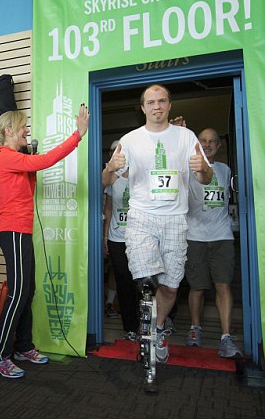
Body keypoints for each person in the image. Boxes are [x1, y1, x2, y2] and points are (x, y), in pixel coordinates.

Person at [103, 84, 212, 364]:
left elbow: (205, 178)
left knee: (171, 286)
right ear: (143, 108)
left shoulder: (186, 137)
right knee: (146, 280)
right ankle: (145, 323)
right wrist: (110, 169)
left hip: (175, 219)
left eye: (161, 101)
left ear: (169, 105)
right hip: (141, 218)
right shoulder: (130, 140)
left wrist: (204, 169)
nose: (156, 106)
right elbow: (107, 181)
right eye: (150, 102)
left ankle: (158, 327)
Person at [0, 106, 89, 378]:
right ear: (8, 131)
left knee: (28, 291)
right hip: (12, 231)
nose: (27, 131)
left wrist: (29, 161)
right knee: (17, 294)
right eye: (22, 127)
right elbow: (47, 161)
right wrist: (77, 135)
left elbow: (30, 184)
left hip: (22, 231)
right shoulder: (7, 157)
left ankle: (23, 347)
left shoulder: (14, 157)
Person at [185, 128, 242, 358]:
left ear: (219, 146)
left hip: (222, 237)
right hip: (195, 237)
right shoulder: (188, 170)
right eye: (203, 141)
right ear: (197, 144)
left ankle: (226, 337)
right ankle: (195, 329)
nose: (207, 145)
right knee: (196, 287)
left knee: (223, 285)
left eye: (212, 142)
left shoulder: (225, 170)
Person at [103, 139, 138, 340]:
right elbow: (108, 209)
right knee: (123, 281)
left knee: (141, 281)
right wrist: (106, 235)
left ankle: (146, 324)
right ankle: (130, 328)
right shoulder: (112, 178)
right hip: (117, 237)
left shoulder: (139, 175)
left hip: (138, 237)